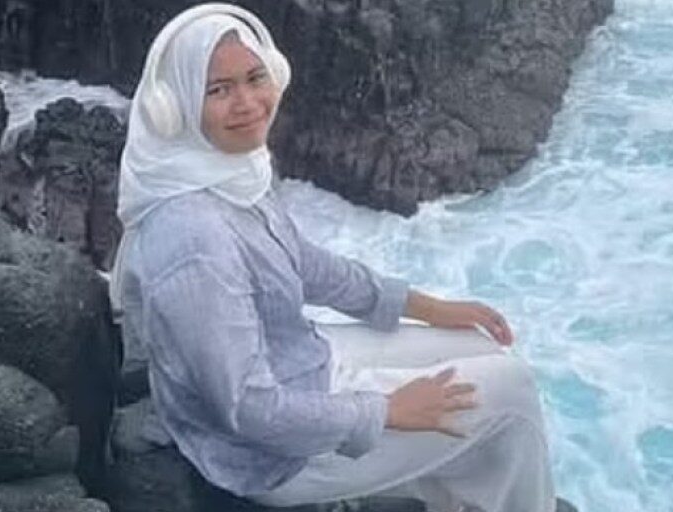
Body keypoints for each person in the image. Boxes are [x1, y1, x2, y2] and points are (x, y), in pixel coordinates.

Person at [108, 4, 560, 511]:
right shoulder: (193, 237)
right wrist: (386, 411)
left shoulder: (223, 172)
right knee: (513, 391)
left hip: (300, 361)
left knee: (477, 345)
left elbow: (303, 263)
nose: (248, 103)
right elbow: (247, 408)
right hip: (272, 455)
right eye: (218, 90)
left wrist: (430, 307)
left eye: (255, 77)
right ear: (174, 106)